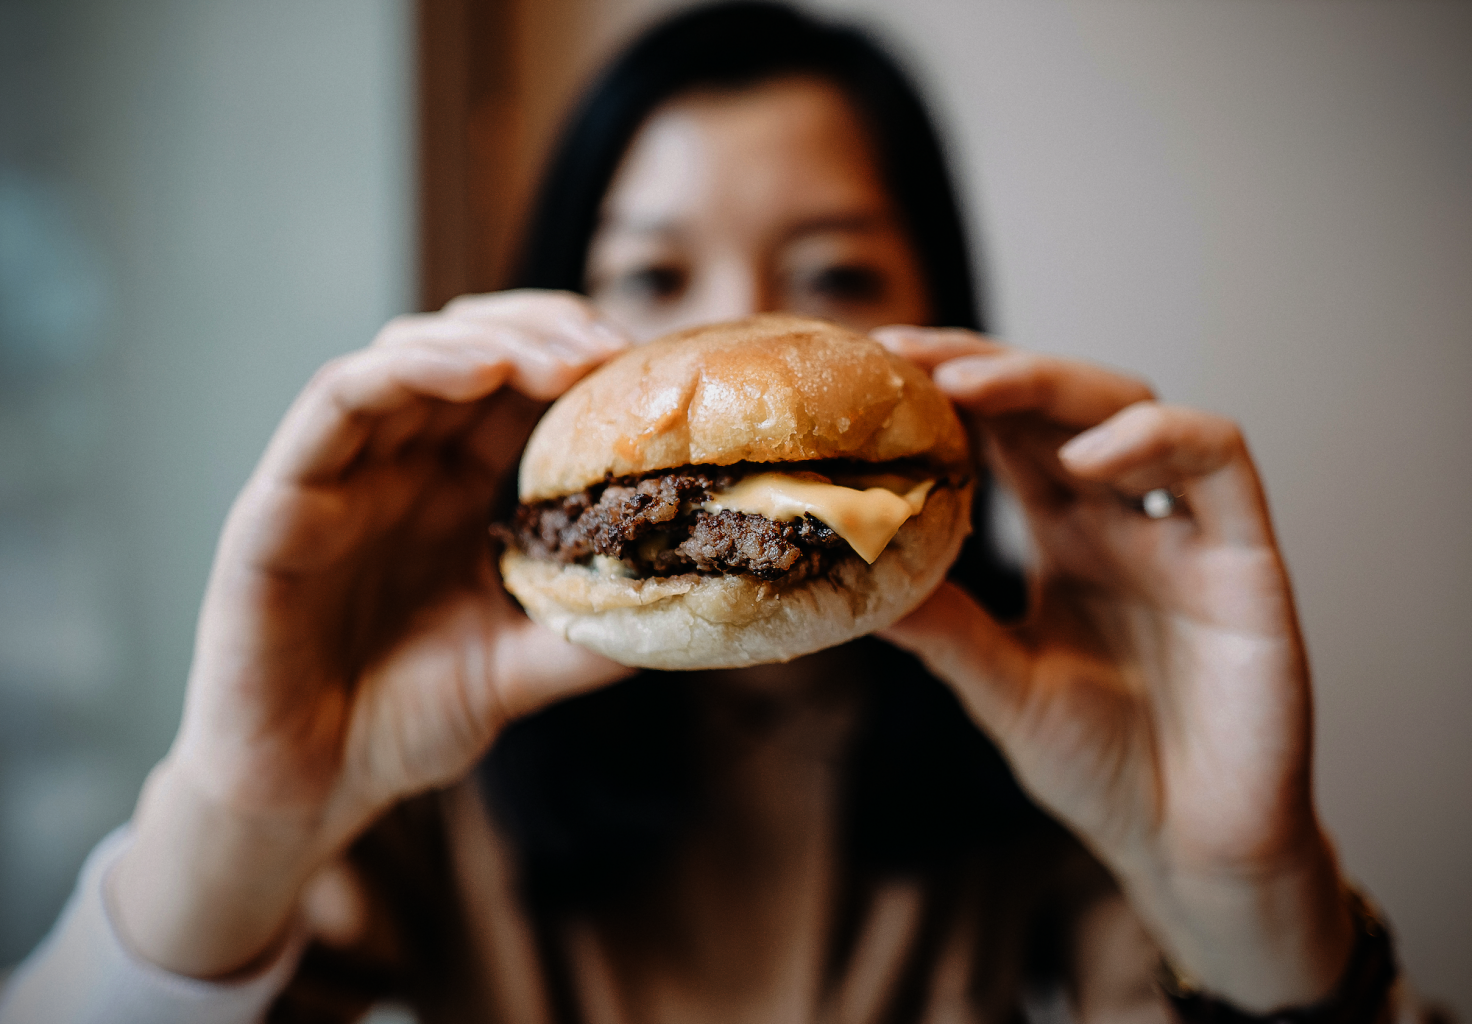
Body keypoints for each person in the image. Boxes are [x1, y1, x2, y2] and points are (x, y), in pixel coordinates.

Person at [0, 3, 1432, 1022]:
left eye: (836, 277)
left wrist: (1250, 894)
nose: (743, 334)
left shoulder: (1061, 726)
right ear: (558, 315)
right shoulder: (425, 753)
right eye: (653, 276)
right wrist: (237, 818)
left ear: (947, 327)